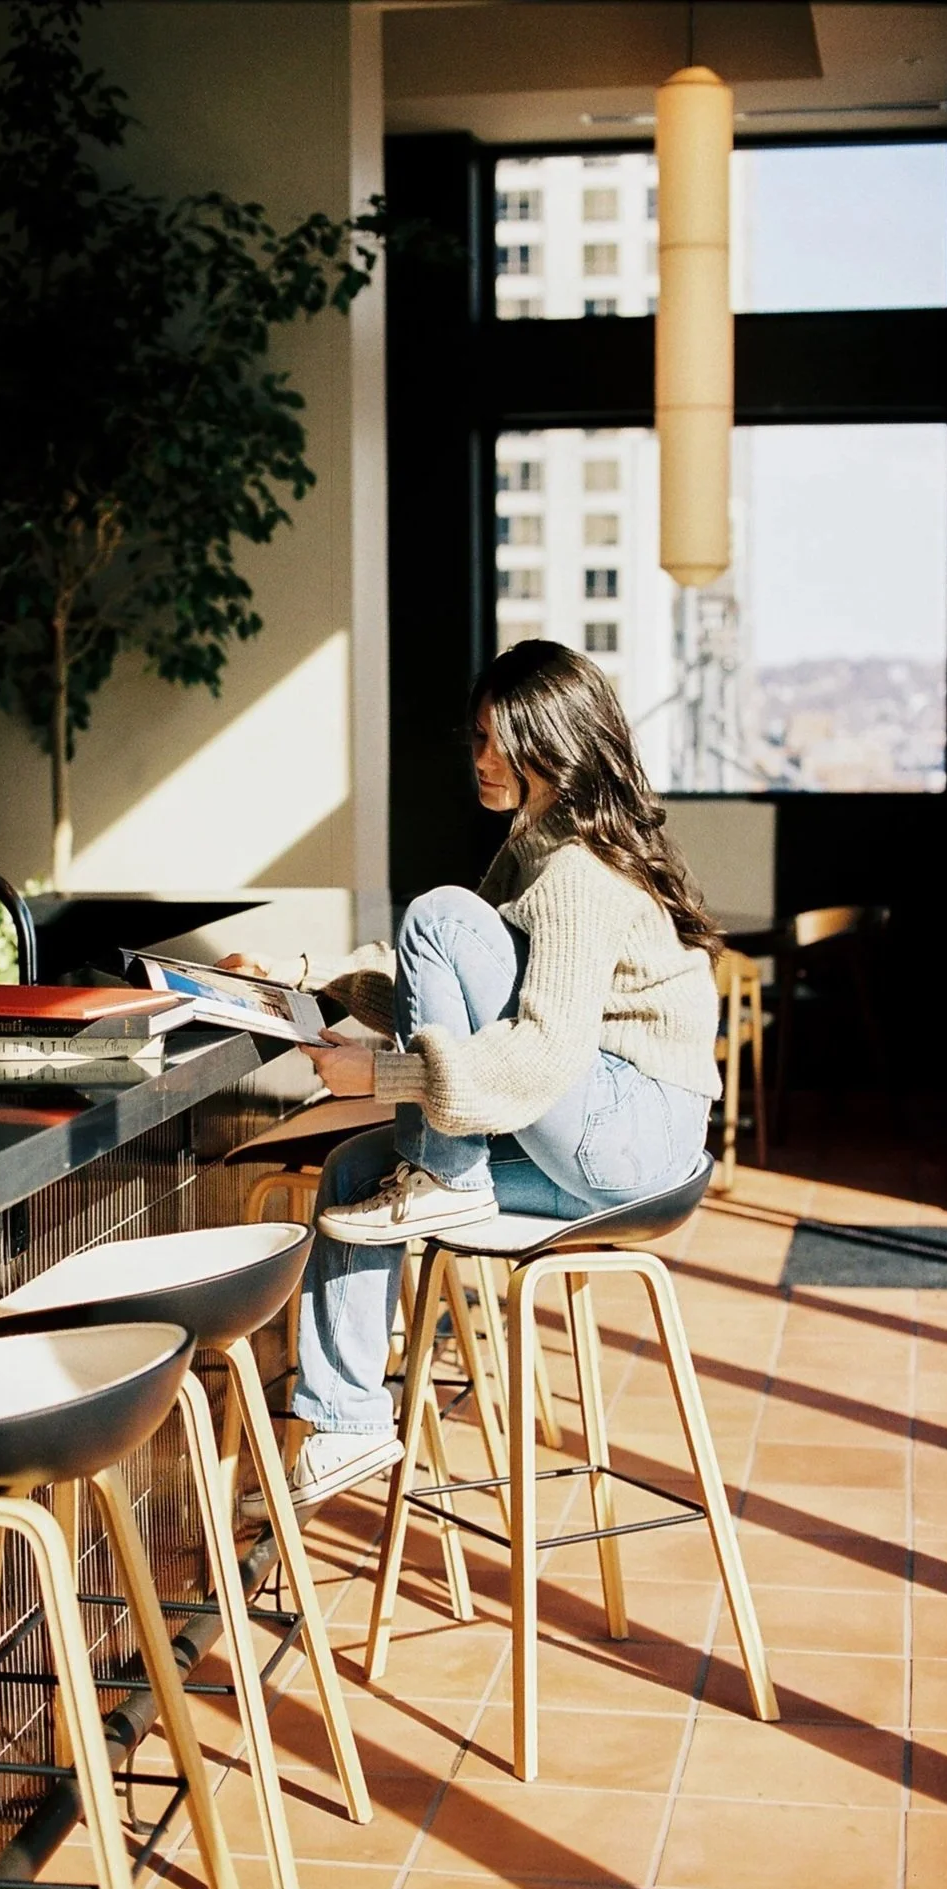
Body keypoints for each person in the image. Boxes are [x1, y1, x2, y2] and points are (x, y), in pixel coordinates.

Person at [223, 640, 722, 1514]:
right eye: (478, 738)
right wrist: (301, 972)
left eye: (500, 739)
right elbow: (434, 985)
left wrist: (385, 1076)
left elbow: (538, 1052)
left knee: (441, 915)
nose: (481, 758)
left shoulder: (576, 871)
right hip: (609, 1130)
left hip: (633, 1129)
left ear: (550, 743)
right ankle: (347, 1423)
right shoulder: (538, 846)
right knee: (355, 1173)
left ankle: (444, 1176)